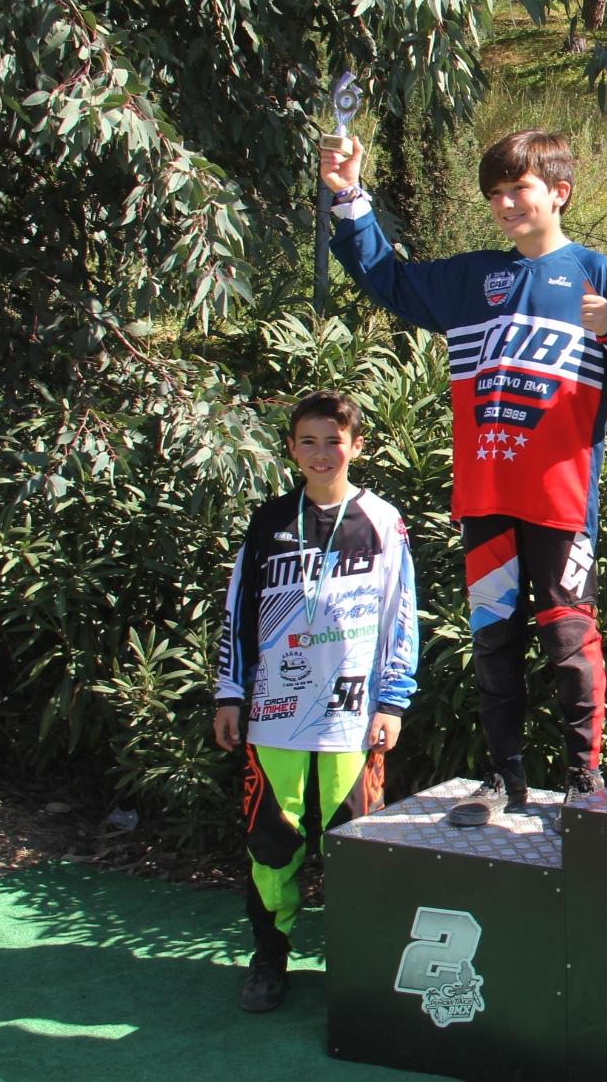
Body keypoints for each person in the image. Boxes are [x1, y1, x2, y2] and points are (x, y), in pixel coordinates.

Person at [322, 131, 607, 826]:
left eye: (520, 189)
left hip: (562, 499)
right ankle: (504, 778)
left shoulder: (594, 270)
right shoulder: (470, 279)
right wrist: (348, 196)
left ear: (559, 192)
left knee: (569, 640)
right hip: (486, 497)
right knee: (492, 640)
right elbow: (388, 278)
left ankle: (584, 780)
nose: (507, 203)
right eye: (496, 194)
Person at [213, 390, 420, 1012]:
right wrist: (230, 692)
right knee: (271, 845)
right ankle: (270, 958)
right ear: (291, 449)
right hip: (274, 715)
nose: (322, 452)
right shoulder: (269, 520)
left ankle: (359, 968)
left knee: (354, 848)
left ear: (357, 446)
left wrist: (394, 701)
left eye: (334, 441)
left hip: (351, 718)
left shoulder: (382, 520)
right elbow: (238, 611)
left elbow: (401, 614)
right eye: (309, 441)